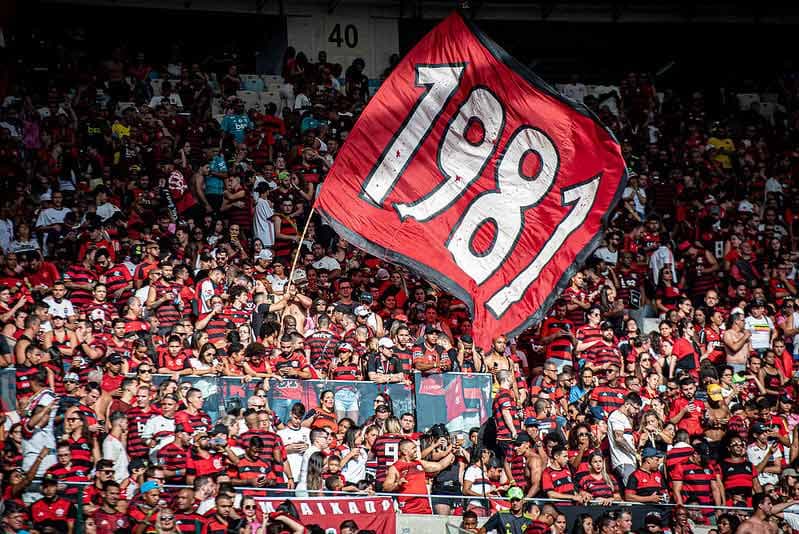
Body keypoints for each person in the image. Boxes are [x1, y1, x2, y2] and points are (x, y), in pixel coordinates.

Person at [383, 438, 456, 514]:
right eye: (413, 448)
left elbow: (440, 465)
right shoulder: (395, 467)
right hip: (408, 508)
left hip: (425, 507)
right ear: (405, 451)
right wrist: (397, 484)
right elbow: (386, 487)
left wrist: (452, 452)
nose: (416, 450)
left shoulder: (419, 463)